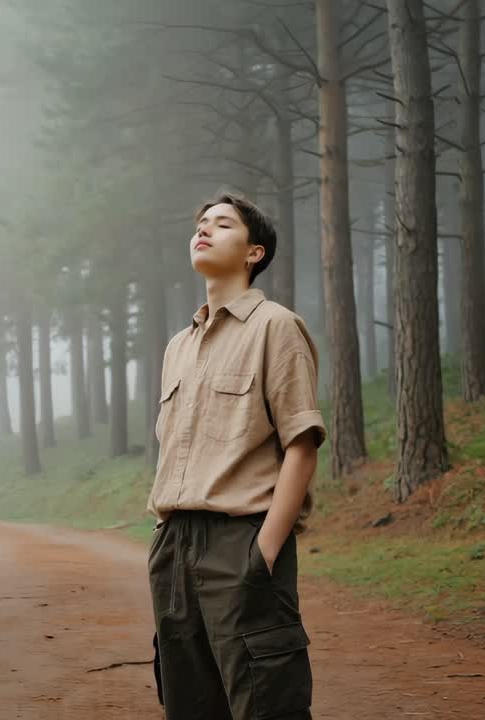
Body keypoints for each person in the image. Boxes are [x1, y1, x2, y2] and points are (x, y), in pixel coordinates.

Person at [148, 190, 325, 719]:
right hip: (173, 548)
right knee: (189, 703)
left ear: (255, 252)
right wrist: (166, 548)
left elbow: (301, 445)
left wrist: (265, 550)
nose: (203, 230)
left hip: (240, 541)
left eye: (223, 224)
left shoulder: (276, 326)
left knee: (266, 701)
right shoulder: (178, 346)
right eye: (200, 223)